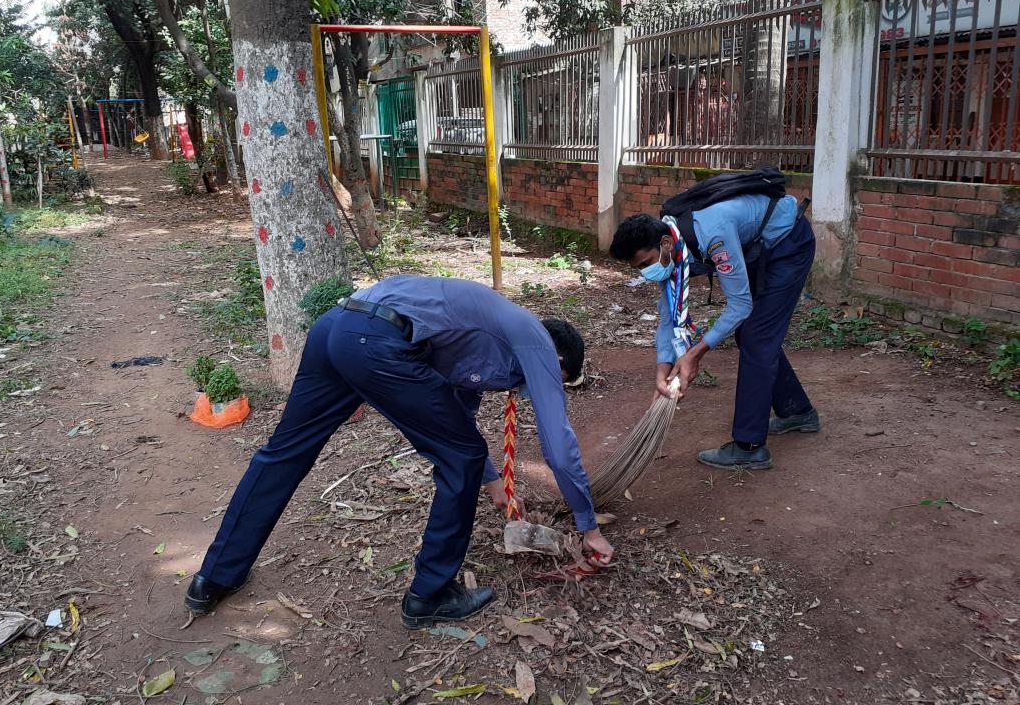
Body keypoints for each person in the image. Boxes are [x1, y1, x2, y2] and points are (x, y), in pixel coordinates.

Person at [185, 275, 613, 628]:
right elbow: (558, 446)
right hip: (373, 338)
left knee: (284, 452)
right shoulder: (534, 338)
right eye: (559, 378)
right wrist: (588, 527)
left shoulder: (488, 339)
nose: (546, 386)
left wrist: (491, 480)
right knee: (460, 458)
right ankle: (430, 593)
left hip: (338, 326)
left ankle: (215, 577)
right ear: (557, 358)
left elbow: (455, 412)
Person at [609, 188, 819, 471]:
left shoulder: (713, 234)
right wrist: (663, 368)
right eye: (639, 268)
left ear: (665, 243)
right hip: (757, 246)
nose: (646, 271)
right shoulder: (671, 246)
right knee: (750, 334)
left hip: (788, 244)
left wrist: (695, 353)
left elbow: (740, 305)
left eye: (646, 263)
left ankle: (749, 448)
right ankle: (797, 412)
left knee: (757, 336)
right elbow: (668, 315)